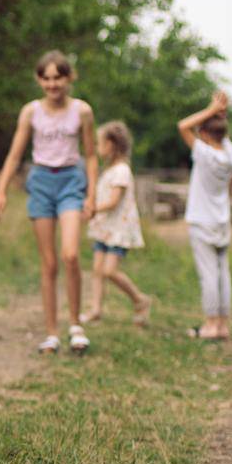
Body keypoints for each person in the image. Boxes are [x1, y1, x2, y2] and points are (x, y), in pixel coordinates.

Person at [0, 50, 99, 353]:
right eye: (47, 78)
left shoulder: (82, 111)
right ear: (39, 80)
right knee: (49, 263)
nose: (53, 84)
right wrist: (0, 192)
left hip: (70, 182)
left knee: (70, 255)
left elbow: (91, 155)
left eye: (58, 78)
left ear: (69, 78)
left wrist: (92, 194)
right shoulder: (30, 112)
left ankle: (76, 324)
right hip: (40, 183)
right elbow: (15, 154)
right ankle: (51, 332)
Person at [177, 91, 232, 341]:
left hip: (203, 222)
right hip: (222, 222)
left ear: (204, 134)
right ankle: (223, 324)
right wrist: (219, 115)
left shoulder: (204, 154)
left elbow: (183, 126)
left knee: (209, 275)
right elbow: (221, 135)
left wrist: (210, 110)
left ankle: (211, 324)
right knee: (223, 273)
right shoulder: (229, 156)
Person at [83, 121, 153, 326]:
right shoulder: (110, 170)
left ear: (112, 145)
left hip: (118, 230)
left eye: (99, 143)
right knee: (97, 270)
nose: (97, 148)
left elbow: (114, 202)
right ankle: (95, 309)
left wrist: (92, 209)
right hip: (105, 228)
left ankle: (140, 299)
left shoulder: (121, 171)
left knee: (109, 271)